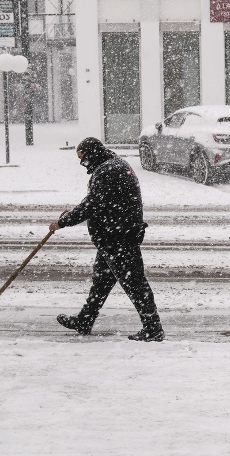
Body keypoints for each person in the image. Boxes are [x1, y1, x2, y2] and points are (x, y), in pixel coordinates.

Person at [49, 137, 165, 342]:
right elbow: (95, 200)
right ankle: (85, 320)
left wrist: (63, 222)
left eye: (83, 158)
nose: (82, 164)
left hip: (118, 238)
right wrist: (71, 215)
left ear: (93, 153)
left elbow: (92, 205)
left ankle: (153, 328)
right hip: (116, 237)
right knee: (101, 281)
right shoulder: (113, 165)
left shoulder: (107, 171)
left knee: (135, 284)